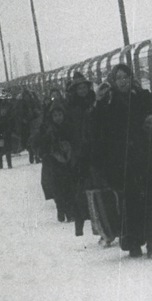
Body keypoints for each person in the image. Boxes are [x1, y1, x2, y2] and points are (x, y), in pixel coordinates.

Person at [89, 63, 152, 258]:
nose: (122, 81)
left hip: (145, 158)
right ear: (113, 80)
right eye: (118, 78)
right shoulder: (108, 103)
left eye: (125, 77)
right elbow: (96, 126)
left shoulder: (143, 97)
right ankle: (133, 243)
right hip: (121, 161)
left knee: (150, 201)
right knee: (129, 204)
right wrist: (99, 101)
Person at [65, 72, 96, 236]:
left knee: (96, 188)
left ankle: (98, 223)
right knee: (81, 191)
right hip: (78, 154)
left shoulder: (94, 102)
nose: (83, 90)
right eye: (79, 88)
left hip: (94, 151)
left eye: (85, 87)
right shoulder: (71, 107)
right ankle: (80, 222)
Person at [37, 101, 76, 222]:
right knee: (57, 189)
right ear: (51, 117)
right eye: (55, 115)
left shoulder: (68, 127)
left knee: (69, 187)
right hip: (53, 164)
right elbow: (41, 145)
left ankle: (69, 212)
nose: (58, 118)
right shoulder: (48, 130)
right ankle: (61, 209)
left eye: (60, 115)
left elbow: (74, 140)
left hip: (67, 162)